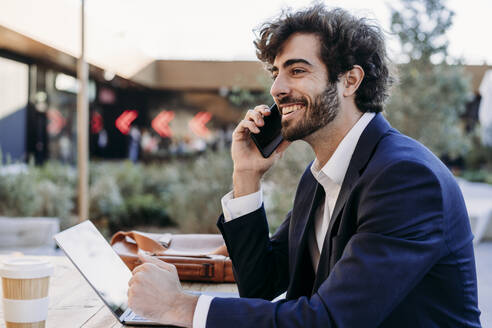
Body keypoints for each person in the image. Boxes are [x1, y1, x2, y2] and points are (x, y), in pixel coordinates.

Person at [127, 5, 481, 327]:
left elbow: (331, 321)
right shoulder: (319, 179)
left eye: (297, 70)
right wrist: (246, 174)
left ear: (350, 80)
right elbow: (261, 284)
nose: (278, 89)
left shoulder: (403, 179)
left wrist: (179, 306)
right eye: (276, 73)